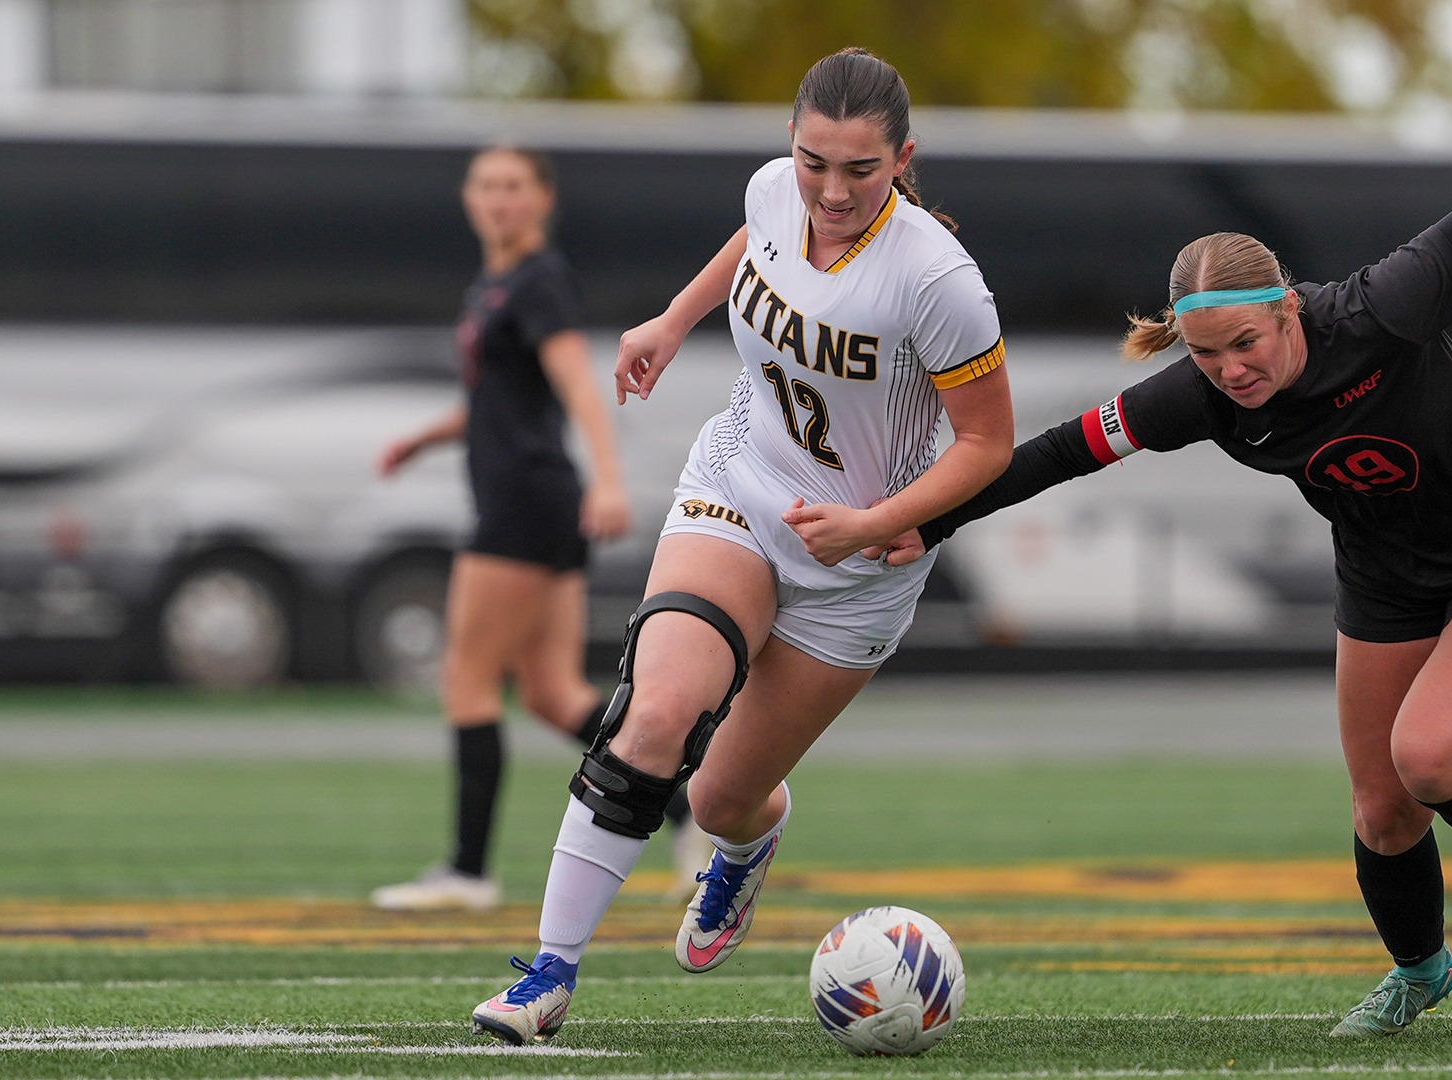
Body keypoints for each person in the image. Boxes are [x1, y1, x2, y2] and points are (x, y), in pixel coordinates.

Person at [861, 174, 1452, 1036]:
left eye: (1246, 345)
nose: (1230, 372)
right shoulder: (1203, 398)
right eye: (1206, 356)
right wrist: (932, 523)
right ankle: (1419, 974)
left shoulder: (1385, 306)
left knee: (1430, 759)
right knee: (1382, 808)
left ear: (1289, 308)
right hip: (1383, 574)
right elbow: (1059, 451)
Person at [467, 48, 1014, 1045]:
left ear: (903, 159)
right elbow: (755, 241)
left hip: (858, 568)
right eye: (814, 162)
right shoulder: (774, 191)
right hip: (739, 488)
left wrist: (877, 521)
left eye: (860, 169)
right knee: (657, 713)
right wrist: (674, 320)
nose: (832, 190)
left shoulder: (937, 277)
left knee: (723, 798)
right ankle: (547, 976)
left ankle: (745, 846)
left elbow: (990, 443)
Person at [372, 146, 709, 913]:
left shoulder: (539, 281)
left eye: (514, 186)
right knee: (556, 695)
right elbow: (501, 403)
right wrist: (426, 439)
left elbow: (573, 388)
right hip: (536, 499)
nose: (499, 199)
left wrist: (611, 479)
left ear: (542, 199)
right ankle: (688, 810)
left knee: (466, 677)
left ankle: (467, 871)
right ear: (468, 197)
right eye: (487, 185)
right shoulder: (490, 288)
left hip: (524, 503)